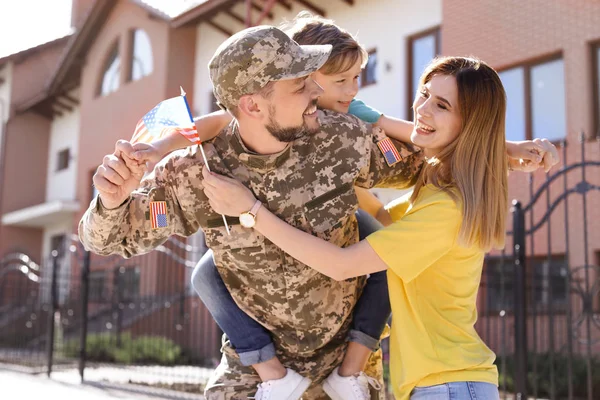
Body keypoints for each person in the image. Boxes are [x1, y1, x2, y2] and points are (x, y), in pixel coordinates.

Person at [128, 14, 555, 400]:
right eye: (424, 95)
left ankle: (349, 368)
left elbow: (417, 137)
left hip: (447, 383)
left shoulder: (359, 128)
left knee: (377, 260)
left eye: (356, 78)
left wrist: (508, 147)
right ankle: (268, 364)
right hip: (436, 382)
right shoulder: (425, 194)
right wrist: (159, 147)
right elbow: (220, 121)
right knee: (206, 271)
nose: (352, 89)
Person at [79, 25, 426, 400]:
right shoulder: (197, 170)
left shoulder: (344, 138)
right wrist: (112, 201)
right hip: (257, 374)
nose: (317, 90)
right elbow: (109, 239)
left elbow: (427, 165)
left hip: (346, 369)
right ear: (253, 105)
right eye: (299, 85)